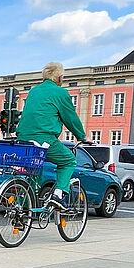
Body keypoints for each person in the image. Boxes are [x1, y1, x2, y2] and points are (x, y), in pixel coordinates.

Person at [16, 62, 92, 211]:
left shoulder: (33, 91)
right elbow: (70, 118)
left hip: (23, 139)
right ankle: (57, 195)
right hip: (44, 139)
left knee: (34, 170)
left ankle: (24, 211)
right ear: (60, 77)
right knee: (69, 161)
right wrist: (82, 136)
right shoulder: (60, 93)